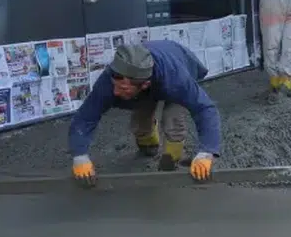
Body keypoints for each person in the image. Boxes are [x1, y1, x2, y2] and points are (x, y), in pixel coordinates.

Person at [69, 42, 221, 183]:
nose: (115, 92)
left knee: (172, 119)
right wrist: (80, 155)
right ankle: (149, 147)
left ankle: (172, 158)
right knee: (141, 117)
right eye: (115, 86)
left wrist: (206, 152)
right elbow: (85, 117)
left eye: (122, 89)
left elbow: (204, 109)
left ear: (144, 85)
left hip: (177, 63)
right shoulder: (112, 78)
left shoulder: (176, 80)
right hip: (147, 78)